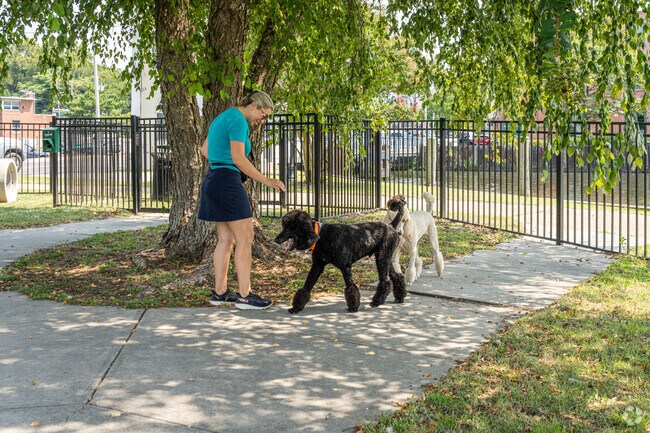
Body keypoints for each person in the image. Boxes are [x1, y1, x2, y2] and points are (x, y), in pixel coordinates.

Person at [199, 90, 285, 310]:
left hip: (213, 180)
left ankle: (219, 293)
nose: (262, 121)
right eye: (263, 115)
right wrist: (266, 180)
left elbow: (205, 150)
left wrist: (223, 159)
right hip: (227, 182)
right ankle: (245, 296)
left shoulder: (222, 117)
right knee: (246, 238)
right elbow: (239, 158)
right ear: (254, 105)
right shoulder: (239, 121)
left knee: (226, 240)